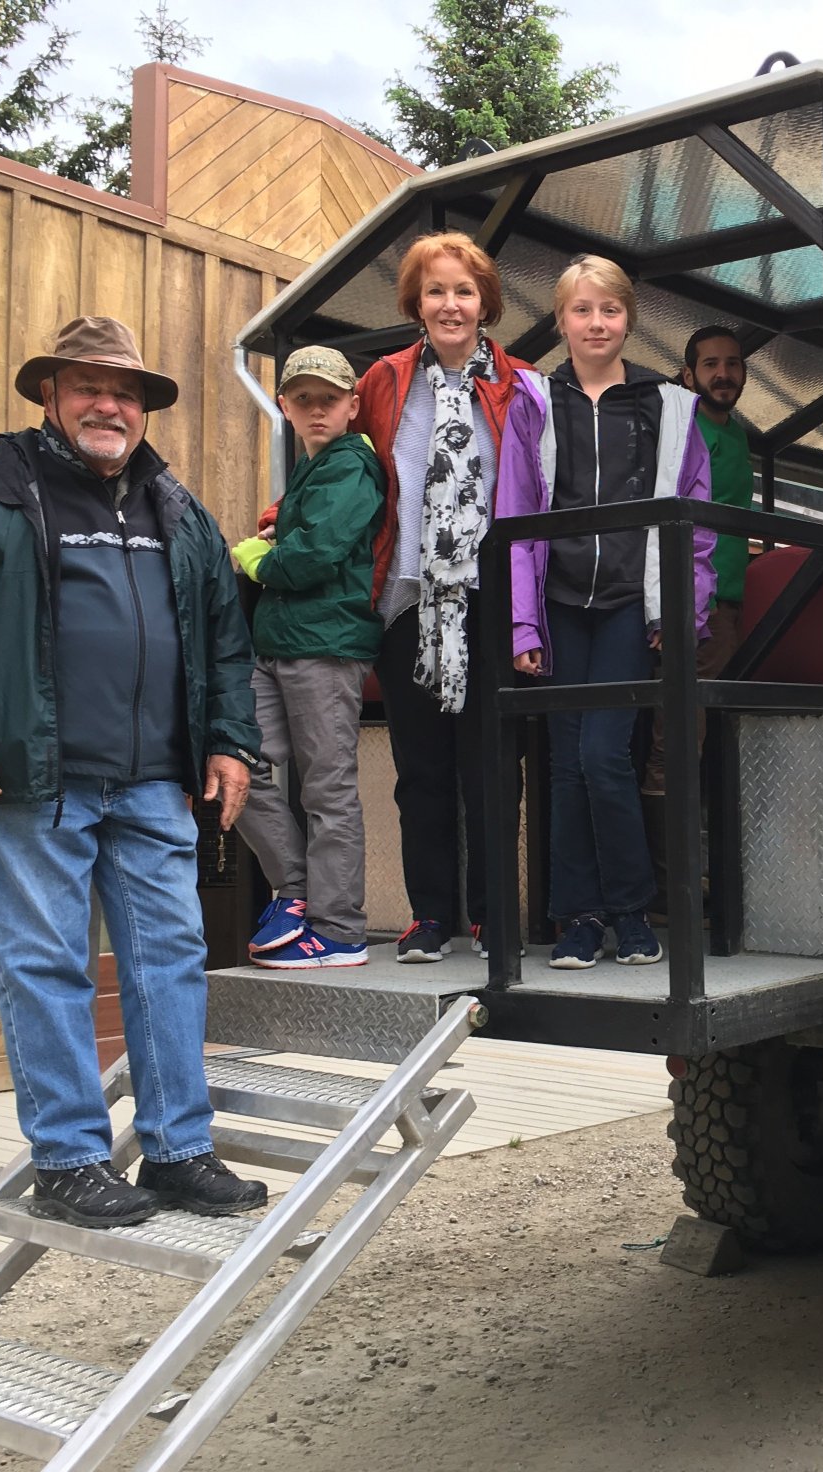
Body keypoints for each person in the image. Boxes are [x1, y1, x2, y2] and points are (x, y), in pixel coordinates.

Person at [0, 315, 266, 1228]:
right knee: (49, 965)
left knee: (170, 959)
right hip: (29, 779)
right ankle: (68, 1160)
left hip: (151, 783)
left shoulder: (176, 507)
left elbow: (224, 639)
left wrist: (228, 739)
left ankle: (177, 1150)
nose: (109, 404)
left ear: (142, 409)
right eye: (89, 386)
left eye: (125, 391)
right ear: (49, 396)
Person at [290, 232, 537, 965]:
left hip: (489, 601)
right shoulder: (385, 381)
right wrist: (285, 521)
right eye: (436, 291)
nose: (451, 304)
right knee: (420, 771)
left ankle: (495, 916)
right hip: (404, 601)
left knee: (492, 770)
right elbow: (342, 465)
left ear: (485, 300)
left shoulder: (522, 385)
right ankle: (431, 915)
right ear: (416, 303)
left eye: (464, 291)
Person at [497, 255, 715, 969]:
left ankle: (632, 909)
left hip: (628, 604)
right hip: (558, 606)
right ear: (560, 319)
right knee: (564, 766)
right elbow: (517, 512)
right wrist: (522, 623)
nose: (596, 323)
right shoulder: (533, 400)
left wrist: (680, 612)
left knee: (604, 757)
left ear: (629, 319)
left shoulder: (667, 406)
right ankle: (580, 920)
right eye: (582, 310)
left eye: (610, 310)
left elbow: (697, 520)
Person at [229, 347, 385, 968]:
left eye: (329, 399)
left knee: (327, 790)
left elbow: (317, 553)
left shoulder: (352, 464)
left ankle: (341, 929)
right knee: (243, 767)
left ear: (352, 406)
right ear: (288, 408)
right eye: (303, 400)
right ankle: (294, 892)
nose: (317, 410)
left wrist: (261, 558)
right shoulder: (312, 466)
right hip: (277, 643)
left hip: (326, 645)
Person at [641, 324, 756, 797]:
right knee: (678, 736)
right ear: (689, 375)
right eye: (710, 364)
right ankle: (673, 866)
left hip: (729, 606)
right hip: (688, 606)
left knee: (705, 732)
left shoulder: (742, 437)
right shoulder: (678, 429)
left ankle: (700, 853)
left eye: (732, 364)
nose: (723, 373)